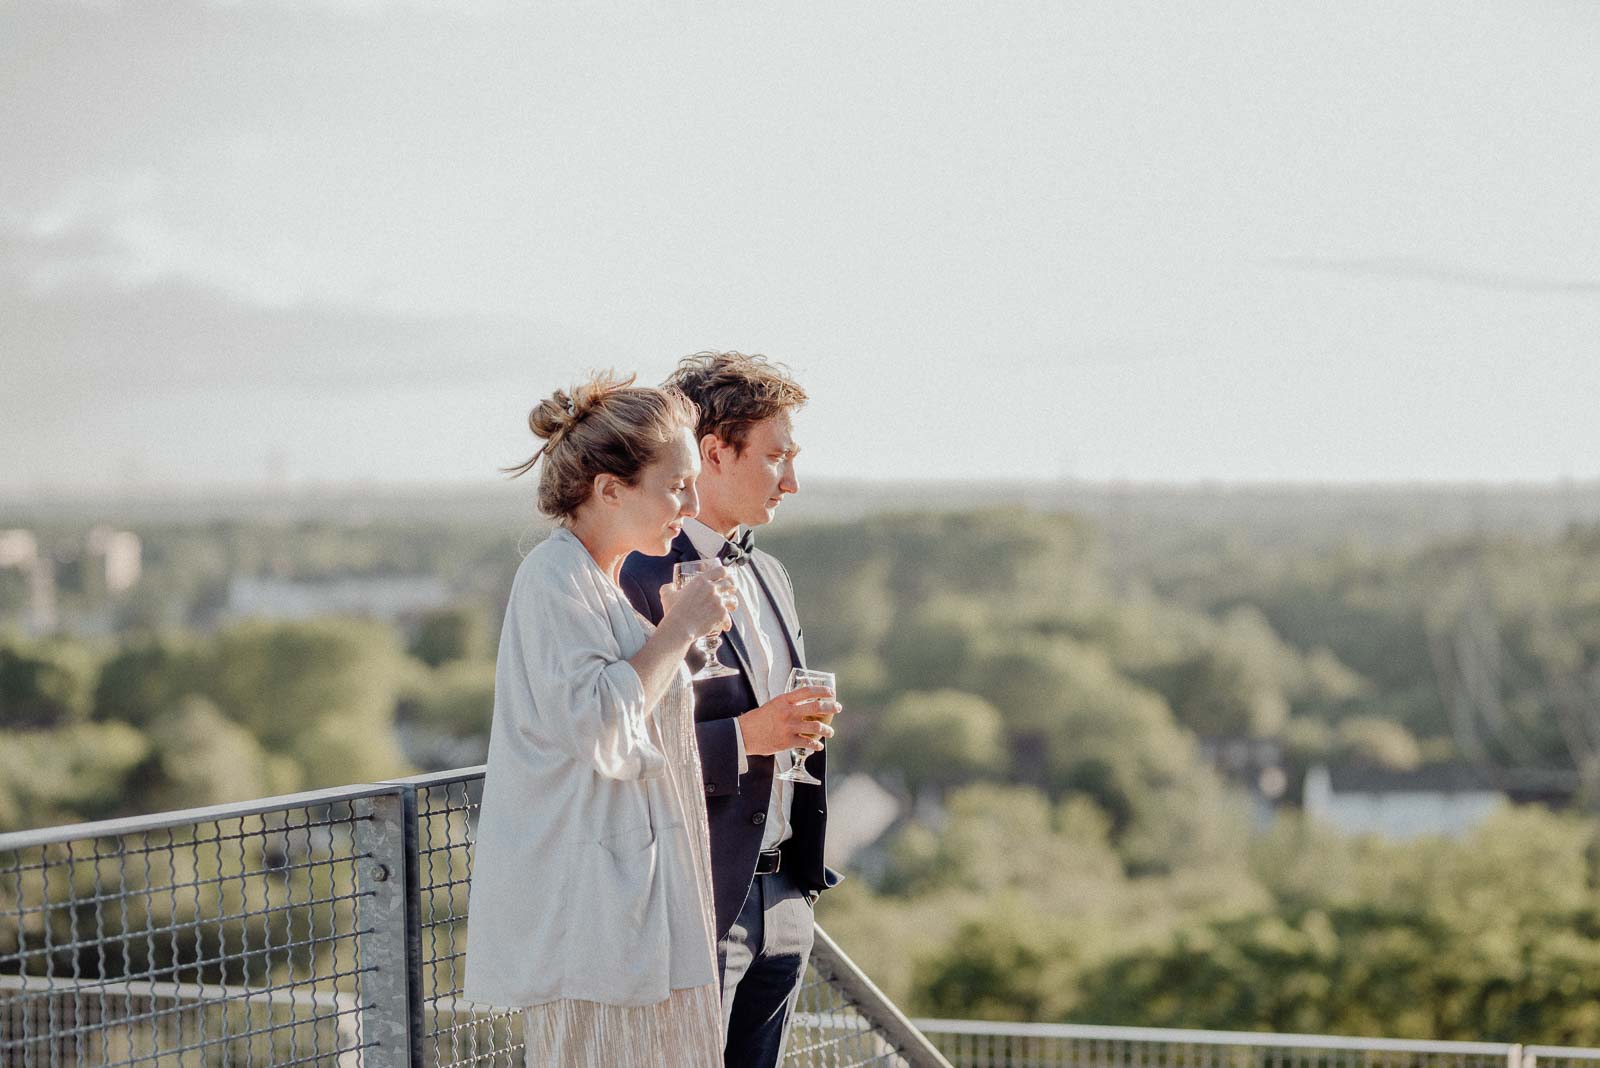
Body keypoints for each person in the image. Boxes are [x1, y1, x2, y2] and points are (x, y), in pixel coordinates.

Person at [463, 371, 733, 1067]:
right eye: (677, 485)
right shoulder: (553, 580)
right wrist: (676, 632)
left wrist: (681, 638)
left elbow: (628, 700)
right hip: (587, 923)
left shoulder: (601, 584)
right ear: (609, 489)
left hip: (625, 909)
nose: (693, 503)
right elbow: (599, 723)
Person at [621, 352, 840, 1068]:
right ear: (714, 453)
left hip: (785, 894)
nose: (793, 481)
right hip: (697, 900)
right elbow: (619, 738)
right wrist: (751, 735)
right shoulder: (636, 571)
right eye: (776, 457)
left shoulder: (769, 571)